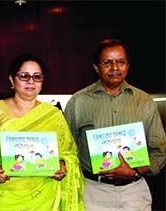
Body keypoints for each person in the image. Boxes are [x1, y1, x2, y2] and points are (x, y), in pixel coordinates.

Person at [0, 54, 84, 211]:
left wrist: (62, 166)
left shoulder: (52, 114)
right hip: (2, 198)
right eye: (24, 76)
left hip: (43, 197)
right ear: (12, 80)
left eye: (36, 77)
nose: (31, 81)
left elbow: (69, 151)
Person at [64, 38, 166, 210]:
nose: (115, 68)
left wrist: (135, 172)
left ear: (127, 65)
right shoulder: (78, 102)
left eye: (120, 62)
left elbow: (160, 151)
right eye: (107, 62)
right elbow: (67, 149)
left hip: (134, 191)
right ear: (97, 67)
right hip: (93, 192)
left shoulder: (145, 101)